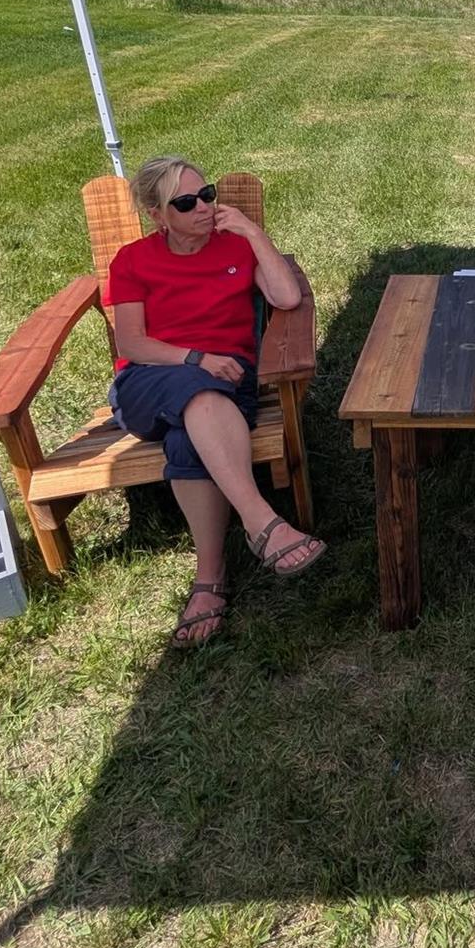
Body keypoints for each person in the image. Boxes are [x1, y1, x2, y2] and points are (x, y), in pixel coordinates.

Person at [107, 155, 325, 645]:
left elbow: (287, 297)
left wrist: (251, 231)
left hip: (228, 384)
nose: (203, 207)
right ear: (158, 215)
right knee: (199, 391)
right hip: (149, 381)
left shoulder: (235, 246)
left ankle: (209, 581)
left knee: (189, 440)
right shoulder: (133, 261)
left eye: (207, 195)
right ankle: (262, 522)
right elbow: (132, 343)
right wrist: (195, 359)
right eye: (186, 203)